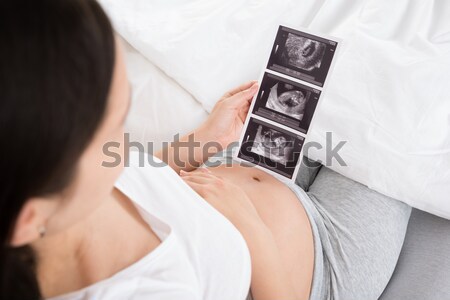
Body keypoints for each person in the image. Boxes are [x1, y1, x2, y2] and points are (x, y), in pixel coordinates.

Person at [0, 1, 411, 300]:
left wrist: (201, 143)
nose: (123, 146)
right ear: (29, 218)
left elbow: (144, 182)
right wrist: (251, 228)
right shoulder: (153, 290)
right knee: (405, 107)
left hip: (239, 162)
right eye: (114, 129)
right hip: (323, 260)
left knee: (353, 55)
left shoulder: (54, 175)